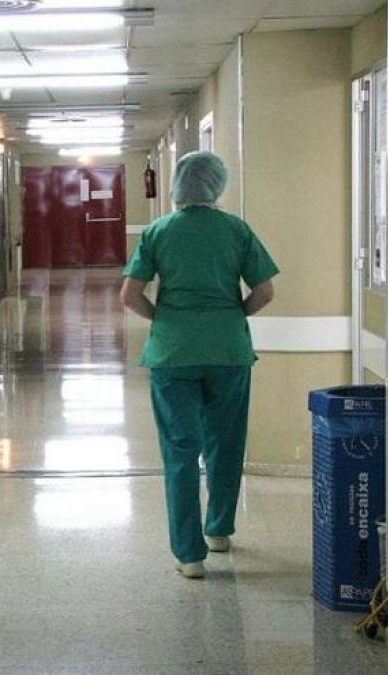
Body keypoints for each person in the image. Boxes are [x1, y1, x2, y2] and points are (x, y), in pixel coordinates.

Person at [121, 151, 279, 579]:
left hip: (173, 354)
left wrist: (164, 319)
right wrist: (233, 314)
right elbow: (265, 292)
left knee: (180, 450)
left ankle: (189, 556)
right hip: (228, 351)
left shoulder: (158, 231)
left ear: (177, 185)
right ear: (217, 185)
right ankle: (219, 530)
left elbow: (130, 295)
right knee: (226, 443)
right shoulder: (236, 230)